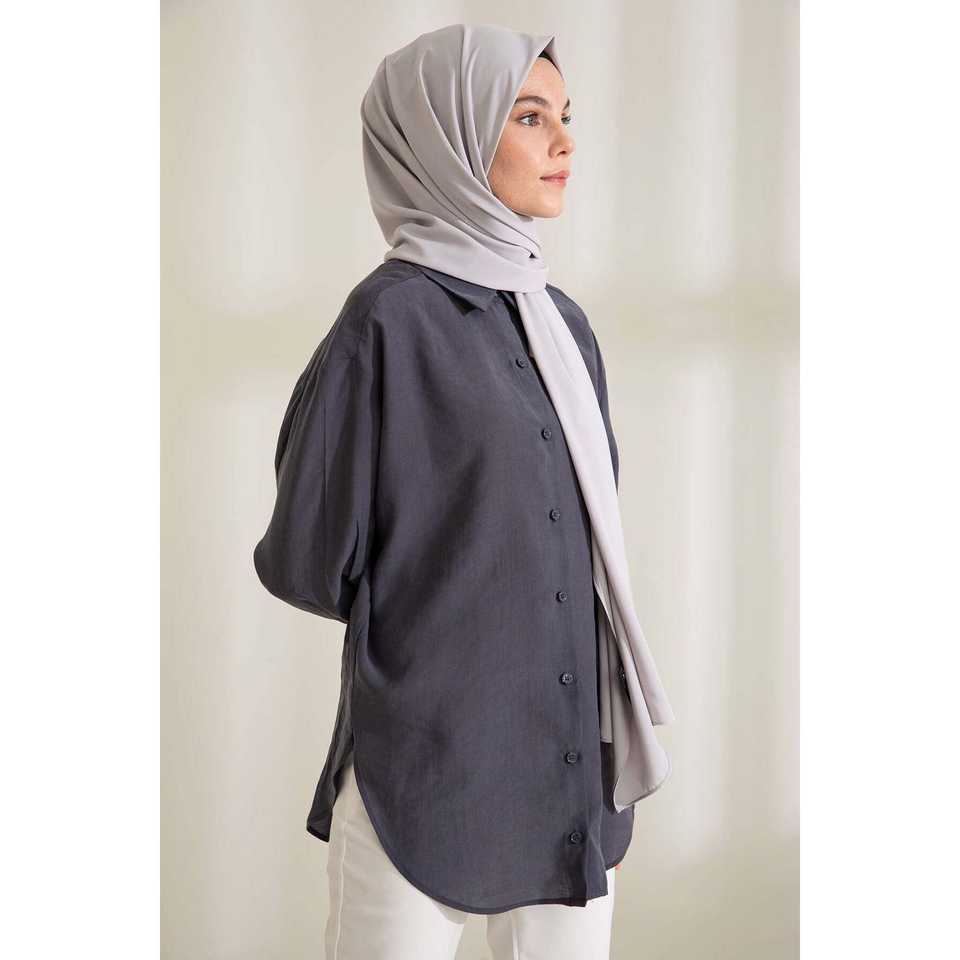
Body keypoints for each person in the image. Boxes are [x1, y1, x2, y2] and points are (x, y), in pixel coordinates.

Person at [253, 23, 675, 960]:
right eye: (529, 117)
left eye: (565, 117)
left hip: (569, 772)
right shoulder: (388, 321)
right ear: (445, 134)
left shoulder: (564, 325)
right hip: (425, 777)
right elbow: (306, 560)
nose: (564, 142)